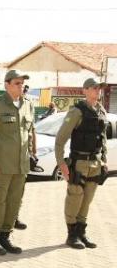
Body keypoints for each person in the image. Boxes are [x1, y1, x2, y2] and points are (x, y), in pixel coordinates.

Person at [0, 69, 36, 255]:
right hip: (0, 166)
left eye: (23, 83)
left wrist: (32, 154)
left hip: (20, 166)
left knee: (14, 202)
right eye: (17, 83)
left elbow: (29, 133)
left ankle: (6, 237)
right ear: (7, 85)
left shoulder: (28, 105)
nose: (21, 86)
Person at [55, 77, 108, 249]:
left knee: (87, 200)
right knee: (75, 198)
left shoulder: (101, 111)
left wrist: (104, 161)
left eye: (99, 88)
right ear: (84, 90)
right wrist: (61, 163)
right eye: (93, 88)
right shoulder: (77, 112)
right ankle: (71, 235)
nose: (97, 91)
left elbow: (103, 138)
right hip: (79, 163)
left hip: (95, 163)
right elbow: (60, 139)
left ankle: (81, 233)